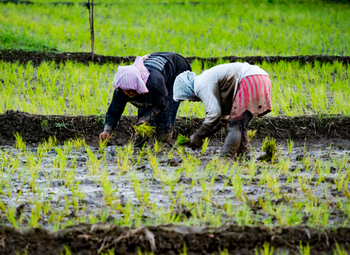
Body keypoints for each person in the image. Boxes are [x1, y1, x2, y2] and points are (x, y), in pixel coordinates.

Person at [173, 62, 272, 158]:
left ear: (186, 89)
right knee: (239, 124)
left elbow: (214, 114)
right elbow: (222, 120)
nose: (190, 101)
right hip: (261, 77)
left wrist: (198, 135)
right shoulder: (213, 83)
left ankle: (225, 158)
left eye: (186, 98)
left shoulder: (200, 84)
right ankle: (246, 155)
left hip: (249, 79)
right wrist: (202, 135)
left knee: (234, 125)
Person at [99, 52, 192, 146]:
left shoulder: (155, 86)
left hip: (176, 68)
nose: (127, 93)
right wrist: (107, 130)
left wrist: (146, 118)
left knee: (165, 113)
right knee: (142, 116)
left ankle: (163, 144)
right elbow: (114, 112)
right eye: (125, 91)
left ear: (139, 86)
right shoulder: (121, 90)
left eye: (131, 90)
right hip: (154, 73)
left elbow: (161, 104)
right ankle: (141, 143)